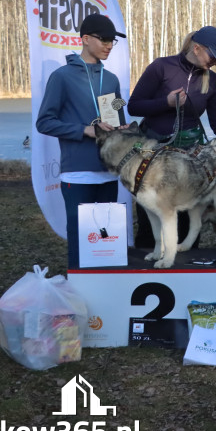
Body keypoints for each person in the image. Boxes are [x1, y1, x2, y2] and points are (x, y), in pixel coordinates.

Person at [128, 26, 216, 247]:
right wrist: (165, 102)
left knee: (188, 219)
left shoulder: (212, 81)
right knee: (151, 217)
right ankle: (148, 269)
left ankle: (187, 268)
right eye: (213, 56)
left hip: (189, 160)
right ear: (197, 48)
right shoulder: (161, 67)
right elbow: (134, 106)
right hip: (154, 158)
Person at [36, 13, 127, 268]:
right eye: (105, 39)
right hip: (78, 175)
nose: (109, 45)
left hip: (109, 172)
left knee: (108, 242)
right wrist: (84, 130)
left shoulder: (110, 79)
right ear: (85, 39)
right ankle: (79, 297)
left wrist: (123, 128)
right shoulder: (62, 76)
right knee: (81, 241)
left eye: (113, 41)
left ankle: (107, 294)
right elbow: (44, 122)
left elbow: (115, 113)